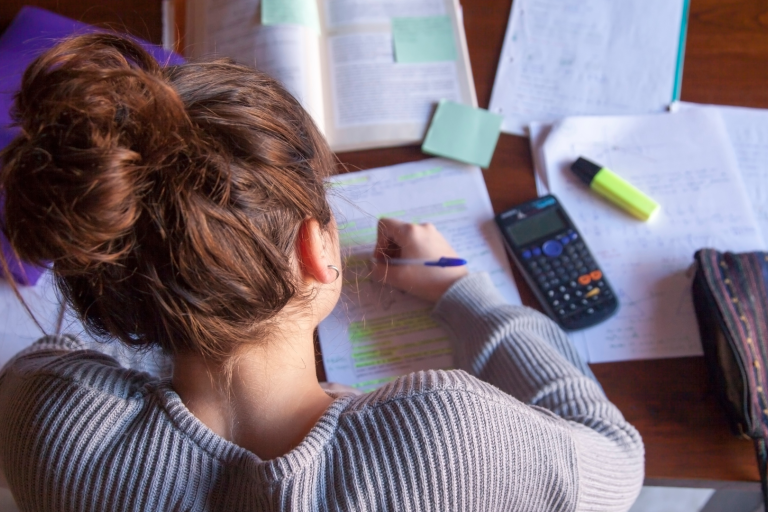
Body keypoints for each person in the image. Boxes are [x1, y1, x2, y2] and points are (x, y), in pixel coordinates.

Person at [0, 33, 643, 511]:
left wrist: (173, 290)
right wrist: (458, 287)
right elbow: (617, 460)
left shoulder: (49, 420)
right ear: (318, 251)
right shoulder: (451, 438)